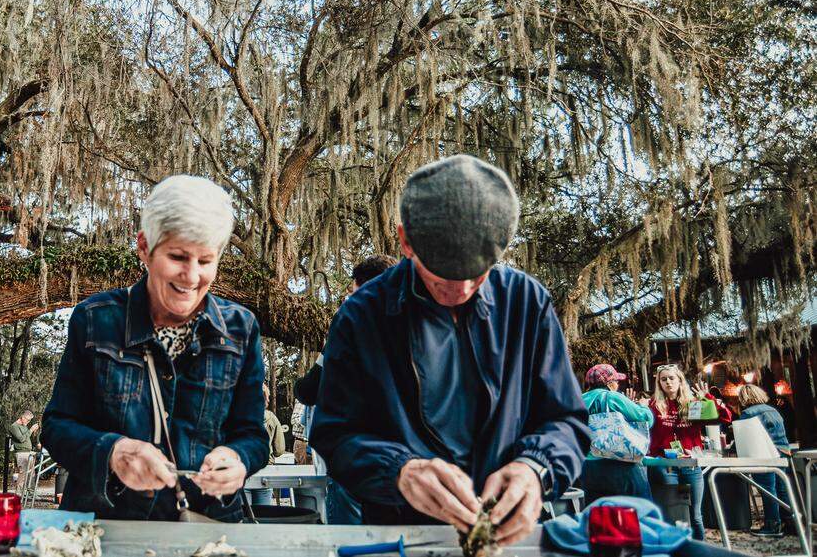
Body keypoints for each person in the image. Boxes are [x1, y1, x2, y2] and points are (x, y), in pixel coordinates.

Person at [311, 155, 590, 544]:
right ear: (405, 240)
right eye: (441, 272)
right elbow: (334, 434)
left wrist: (535, 467)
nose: (459, 289)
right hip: (401, 533)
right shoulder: (362, 316)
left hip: (507, 533)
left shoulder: (527, 302)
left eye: (478, 273)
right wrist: (398, 471)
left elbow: (566, 421)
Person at [41, 175, 268, 521]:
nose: (191, 277)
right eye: (178, 257)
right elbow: (57, 426)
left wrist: (237, 459)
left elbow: (252, 435)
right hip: (107, 523)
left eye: (206, 261)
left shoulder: (242, 329)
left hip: (210, 527)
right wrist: (113, 452)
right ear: (145, 247)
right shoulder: (94, 320)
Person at [294, 253, 397, 525]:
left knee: (350, 539)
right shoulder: (416, 326)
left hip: (355, 463)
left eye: (352, 293)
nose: (349, 300)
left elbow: (308, 390)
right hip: (403, 466)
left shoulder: (350, 326)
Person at [647, 363, 732, 540]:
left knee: (695, 515)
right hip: (666, 467)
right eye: (663, 379)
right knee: (675, 513)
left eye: (672, 378)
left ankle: (699, 549)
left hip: (691, 466)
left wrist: (707, 398)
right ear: (659, 383)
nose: (668, 382)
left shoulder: (692, 404)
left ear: (680, 380)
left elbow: (725, 417)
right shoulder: (654, 406)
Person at [578, 364, 653, 502]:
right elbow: (645, 419)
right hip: (620, 465)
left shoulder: (578, 400)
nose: (617, 384)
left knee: (600, 515)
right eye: (616, 381)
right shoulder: (612, 397)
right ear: (610, 383)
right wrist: (643, 406)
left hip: (588, 468)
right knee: (640, 512)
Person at [737, 384, 792, 537]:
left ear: (744, 398)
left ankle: (772, 525)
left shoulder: (748, 413)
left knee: (768, 490)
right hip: (783, 451)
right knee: (782, 489)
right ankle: (790, 523)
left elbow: (745, 436)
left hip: (764, 453)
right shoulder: (773, 409)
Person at [8, 410, 39, 488]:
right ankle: (20, 494)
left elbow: (27, 437)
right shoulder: (14, 426)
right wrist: (31, 430)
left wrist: (33, 432)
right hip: (21, 453)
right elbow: (21, 439)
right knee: (22, 474)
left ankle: (31, 493)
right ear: (22, 417)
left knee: (31, 474)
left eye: (30, 420)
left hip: (29, 452)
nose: (28, 422)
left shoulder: (24, 426)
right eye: (28, 420)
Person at [262, 384, 286, 462]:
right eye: (267, 397)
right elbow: (279, 450)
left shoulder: (236, 416)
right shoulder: (271, 417)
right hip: (266, 462)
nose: (268, 400)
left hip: (243, 466)